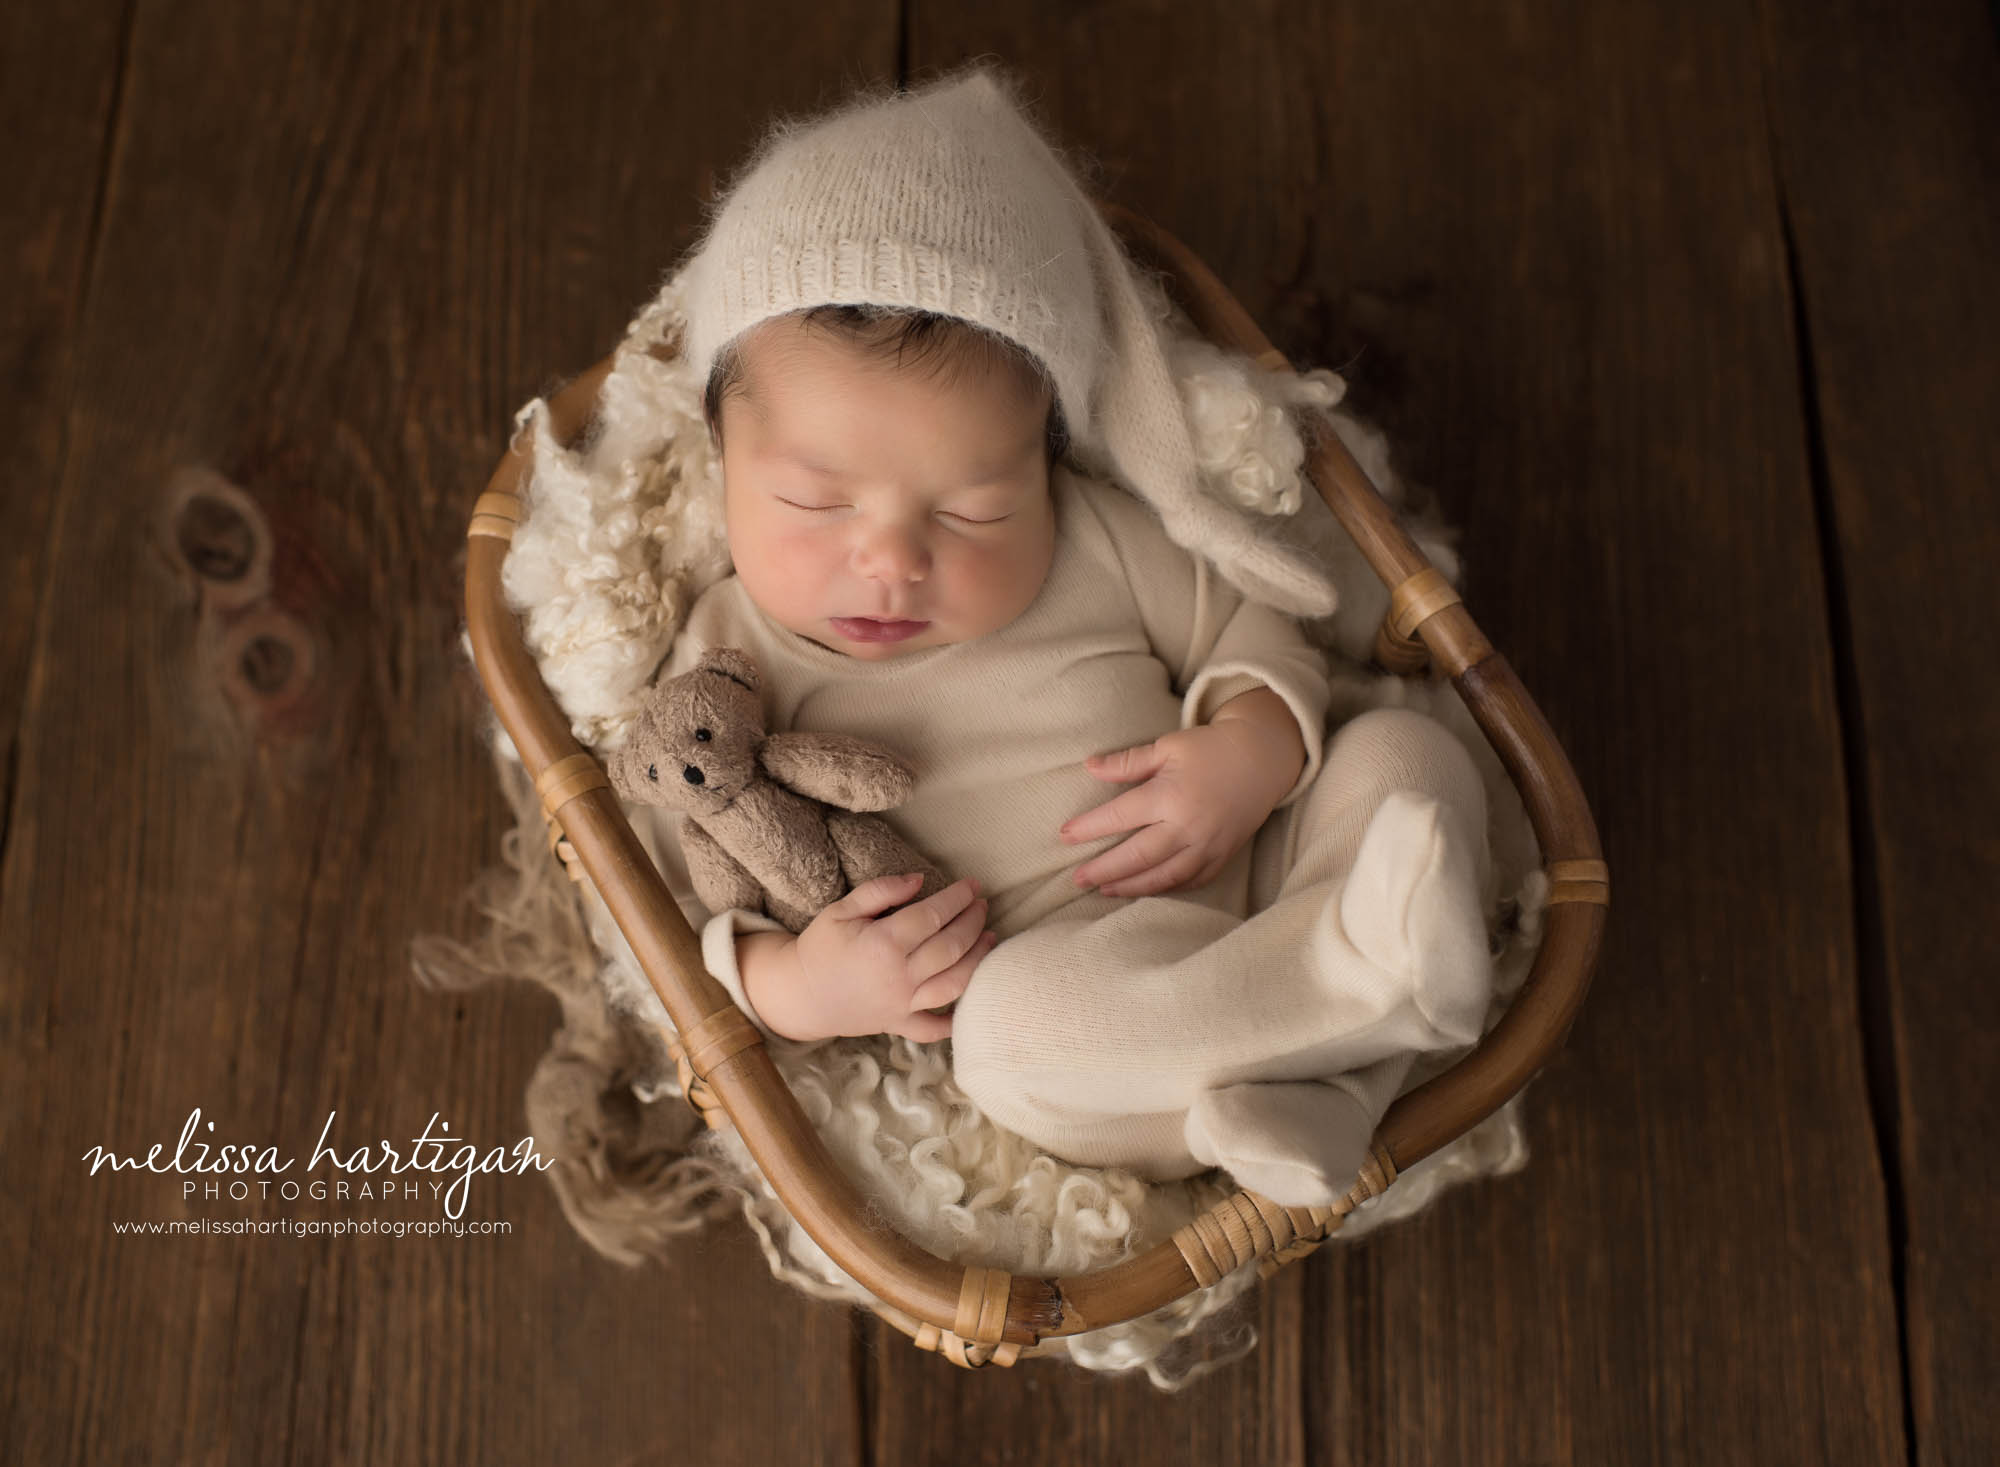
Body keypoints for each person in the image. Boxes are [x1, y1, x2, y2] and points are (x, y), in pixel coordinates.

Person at [636, 64, 1494, 1207]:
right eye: (815, 503)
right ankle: (1356, 1002)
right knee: (1007, 1042)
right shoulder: (725, 656)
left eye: (972, 507)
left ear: (1048, 457)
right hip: (1091, 1022)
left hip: (1276, 873)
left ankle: (1322, 1072)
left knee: (1403, 759)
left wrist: (1249, 753)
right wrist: (804, 986)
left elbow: (1258, 626)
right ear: (721, 462)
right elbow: (662, 891)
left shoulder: (1097, 541)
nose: (890, 559)